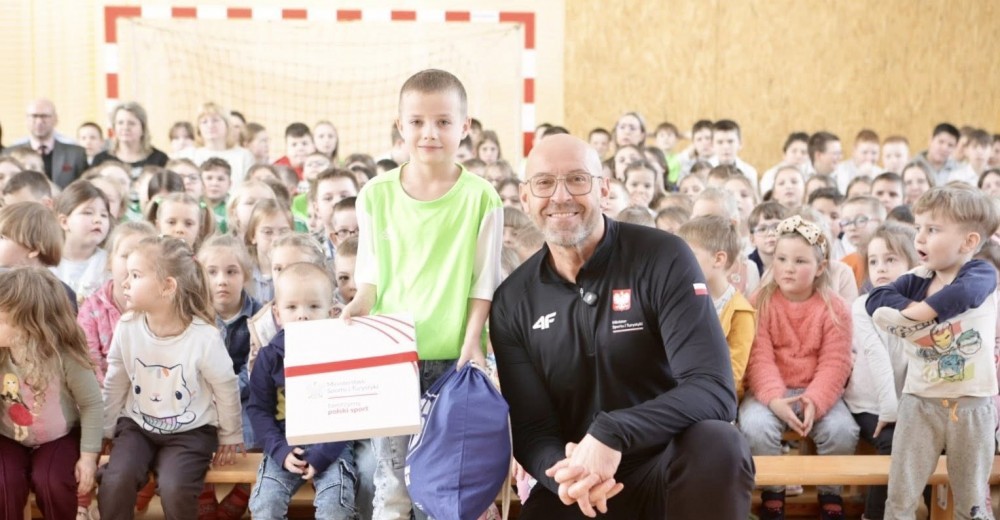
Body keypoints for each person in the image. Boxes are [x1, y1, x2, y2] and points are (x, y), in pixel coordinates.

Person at [491, 133, 754, 519]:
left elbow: (714, 389)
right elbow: (532, 430)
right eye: (545, 183)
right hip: (580, 486)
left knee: (719, 443)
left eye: (577, 180)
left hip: (666, 472)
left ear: (604, 189)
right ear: (525, 197)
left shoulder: (663, 256)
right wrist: (566, 474)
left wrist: (612, 432)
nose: (561, 196)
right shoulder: (513, 300)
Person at [341, 69, 504, 519]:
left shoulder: (482, 197)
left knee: (445, 488)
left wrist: (472, 345)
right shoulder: (375, 194)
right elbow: (370, 277)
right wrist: (358, 305)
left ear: (465, 127)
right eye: (416, 122)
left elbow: (483, 283)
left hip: (455, 362)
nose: (429, 133)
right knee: (392, 485)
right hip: (392, 359)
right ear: (400, 125)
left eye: (443, 122)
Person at [866, 185, 1000, 519]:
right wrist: (909, 307)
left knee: (971, 502)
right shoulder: (918, 278)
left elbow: (964, 295)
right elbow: (876, 298)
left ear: (968, 242)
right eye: (919, 228)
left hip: (971, 405)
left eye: (933, 230)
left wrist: (914, 316)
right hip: (919, 403)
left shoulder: (981, 272)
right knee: (900, 498)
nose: (920, 238)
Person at [98, 236, 244, 519]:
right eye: (126, 274)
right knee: (116, 480)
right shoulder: (127, 326)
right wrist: (105, 428)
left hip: (191, 433)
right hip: (137, 427)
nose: (124, 282)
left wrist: (230, 434)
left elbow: (225, 386)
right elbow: (116, 379)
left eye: (136, 275)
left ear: (167, 286)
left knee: (175, 486)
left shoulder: (204, 337)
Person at [739, 216, 857, 520]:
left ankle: (831, 496)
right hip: (770, 393)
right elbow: (758, 358)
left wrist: (814, 401)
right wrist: (776, 400)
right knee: (755, 426)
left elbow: (835, 362)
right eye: (781, 259)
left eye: (800, 260)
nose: (788, 267)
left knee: (842, 430)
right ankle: (773, 493)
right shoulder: (760, 302)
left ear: (820, 267)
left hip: (819, 392)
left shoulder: (834, 307)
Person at [247, 262, 358, 519]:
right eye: (292, 307)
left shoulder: (339, 356)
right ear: (277, 313)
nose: (302, 315)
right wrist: (280, 451)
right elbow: (258, 410)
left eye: (314, 306)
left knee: (335, 508)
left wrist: (323, 454)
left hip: (332, 447)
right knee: (265, 504)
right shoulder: (269, 357)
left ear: (331, 312)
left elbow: (348, 412)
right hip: (284, 446)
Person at [0, 268, 102, 520]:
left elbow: (91, 404)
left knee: (51, 481)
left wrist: (88, 459)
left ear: (27, 323)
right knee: (4, 482)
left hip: (58, 437)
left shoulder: (63, 355)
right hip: (8, 437)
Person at [842, 224, 919, 520]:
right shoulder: (863, 306)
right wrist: (891, 410)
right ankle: (873, 516)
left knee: (930, 443)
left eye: (890, 259)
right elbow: (878, 360)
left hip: (907, 403)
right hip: (870, 404)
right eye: (873, 261)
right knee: (893, 442)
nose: (880, 268)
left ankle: (918, 511)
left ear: (914, 264)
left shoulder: (922, 306)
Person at [197, 235, 264, 520]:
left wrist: (227, 391)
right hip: (204, 395)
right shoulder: (193, 316)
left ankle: (243, 489)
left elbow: (256, 368)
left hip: (247, 395)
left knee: (257, 431)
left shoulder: (260, 318)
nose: (221, 280)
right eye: (212, 272)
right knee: (192, 433)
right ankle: (204, 489)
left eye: (231, 271)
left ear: (246, 275)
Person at [677, 215, 756, 399]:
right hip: (681, 391)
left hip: (717, 397)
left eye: (688, 255)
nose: (679, 262)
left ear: (718, 259)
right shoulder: (682, 299)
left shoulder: (740, 312)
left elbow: (734, 375)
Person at [77, 221, 157, 385]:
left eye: (143, 256)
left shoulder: (162, 307)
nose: (133, 263)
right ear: (109, 261)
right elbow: (89, 361)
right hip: (105, 395)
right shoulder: (92, 308)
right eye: (126, 255)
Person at [4, 98, 87, 188]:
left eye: (44, 116)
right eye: (34, 116)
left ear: (55, 119)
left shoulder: (76, 154)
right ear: (26, 120)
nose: (39, 121)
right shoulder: (9, 154)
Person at [52, 180, 112, 301]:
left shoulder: (109, 264)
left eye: (104, 215)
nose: (98, 220)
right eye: (88, 213)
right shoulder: (47, 263)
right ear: (64, 221)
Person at [177, 102, 256, 188]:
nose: (210, 125)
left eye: (215, 120)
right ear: (198, 129)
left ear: (227, 125)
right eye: (204, 122)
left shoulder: (243, 156)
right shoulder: (189, 155)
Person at [92, 102, 169, 175]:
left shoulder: (160, 159)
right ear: (114, 128)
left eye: (131, 123)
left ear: (143, 128)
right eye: (120, 123)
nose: (125, 128)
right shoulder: (101, 160)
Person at [912, 123, 977, 186]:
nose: (944, 148)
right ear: (931, 140)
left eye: (950, 145)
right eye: (941, 142)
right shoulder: (912, 165)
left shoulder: (959, 170)